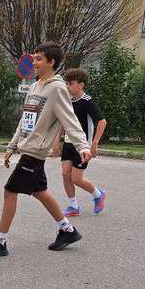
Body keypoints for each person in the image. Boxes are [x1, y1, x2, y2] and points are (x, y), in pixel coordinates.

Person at [0, 42, 92, 259]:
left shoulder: (57, 89)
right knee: (40, 191)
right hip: (27, 147)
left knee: (10, 191)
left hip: (35, 152)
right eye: (34, 58)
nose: (34, 63)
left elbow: (70, 120)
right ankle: (67, 230)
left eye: (39, 59)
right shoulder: (34, 86)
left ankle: (0, 241)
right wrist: (12, 146)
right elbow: (25, 120)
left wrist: (83, 146)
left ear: (51, 62)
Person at [52, 68, 108, 216]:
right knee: (65, 174)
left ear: (81, 85)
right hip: (69, 144)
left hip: (83, 146)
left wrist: (94, 143)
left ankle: (98, 194)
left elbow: (102, 122)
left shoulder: (87, 101)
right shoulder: (67, 101)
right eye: (66, 83)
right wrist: (57, 141)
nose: (67, 86)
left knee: (76, 178)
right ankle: (73, 206)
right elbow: (63, 122)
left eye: (71, 83)